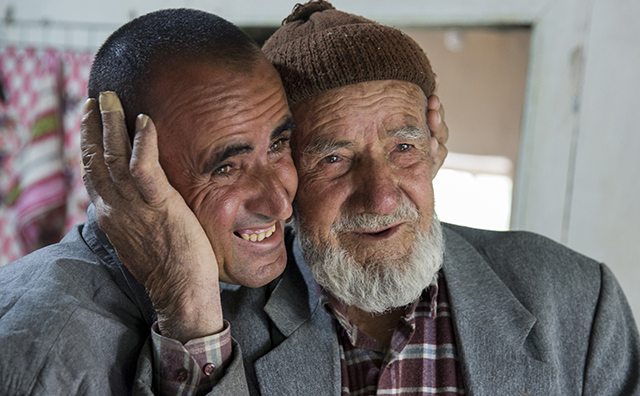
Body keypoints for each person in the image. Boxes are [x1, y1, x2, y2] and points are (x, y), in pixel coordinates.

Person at [127, 2, 639, 396]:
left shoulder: (575, 301)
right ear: (284, 177)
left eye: (403, 148)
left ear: (435, 143)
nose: (382, 193)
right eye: (334, 159)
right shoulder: (210, 327)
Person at [0, 7, 449, 396]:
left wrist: (408, 165)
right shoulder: (46, 347)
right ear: (122, 166)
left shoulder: (234, 280)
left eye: (279, 147)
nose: (280, 203)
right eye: (225, 168)